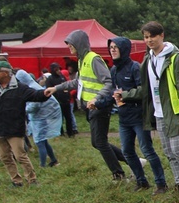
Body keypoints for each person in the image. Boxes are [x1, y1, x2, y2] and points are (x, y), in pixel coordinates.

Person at [118, 21, 179, 203]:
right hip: (158, 112)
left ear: (162, 36)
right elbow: (145, 88)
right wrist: (125, 95)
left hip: (175, 112)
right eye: (146, 37)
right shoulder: (148, 59)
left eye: (152, 36)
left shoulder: (174, 59)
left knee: (178, 150)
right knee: (168, 151)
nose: (149, 40)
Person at [44, 30, 129, 181]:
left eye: (71, 43)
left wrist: (97, 99)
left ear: (79, 43)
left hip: (99, 106)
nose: (69, 46)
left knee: (100, 142)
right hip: (91, 108)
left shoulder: (93, 59)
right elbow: (78, 82)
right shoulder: (81, 60)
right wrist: (56, 88)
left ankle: (119, 174)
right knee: (97, 142)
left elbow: (109, 82)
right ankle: (132, 161)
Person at [106, 37, 167, 194]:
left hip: (138, 117)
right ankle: (141, 181)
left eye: (116, 47)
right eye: (111, 47)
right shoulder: (113, 70)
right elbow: (114, 91)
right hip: (123, 118)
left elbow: (144, 90)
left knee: (147, 149)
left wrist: (125, 95)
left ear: (124, 49)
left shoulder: (135, 67)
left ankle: (161, 183)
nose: (112, 50)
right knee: (127, 151)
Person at [0, 59, 49, 186]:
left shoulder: (20, 88)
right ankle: (16, 181)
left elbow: (35, 95)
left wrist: (45, 93)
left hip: (14, 128)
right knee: (5, 158)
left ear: (6, 73)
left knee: (20, 156)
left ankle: (32, 180)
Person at [16, 70, 61, 168]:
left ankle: (42, 165)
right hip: (40, 117)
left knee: (39, 141)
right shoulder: (32, 85)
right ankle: (53, 160)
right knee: (43, 140)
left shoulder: (31, 88)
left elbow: (34, 106)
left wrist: (21, 109)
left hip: (40, 118)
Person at [45, 62, 75, 137]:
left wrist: (68, 96)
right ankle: (60, 133)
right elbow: (49, 90)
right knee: (59, 119)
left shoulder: (62, 77)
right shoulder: (50, 79)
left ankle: (70, 132)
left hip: (66, 101)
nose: (59, 71)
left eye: (59, 69)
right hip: (57, 102)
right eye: (57, 70)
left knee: (69, 117)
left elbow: (66, 86)